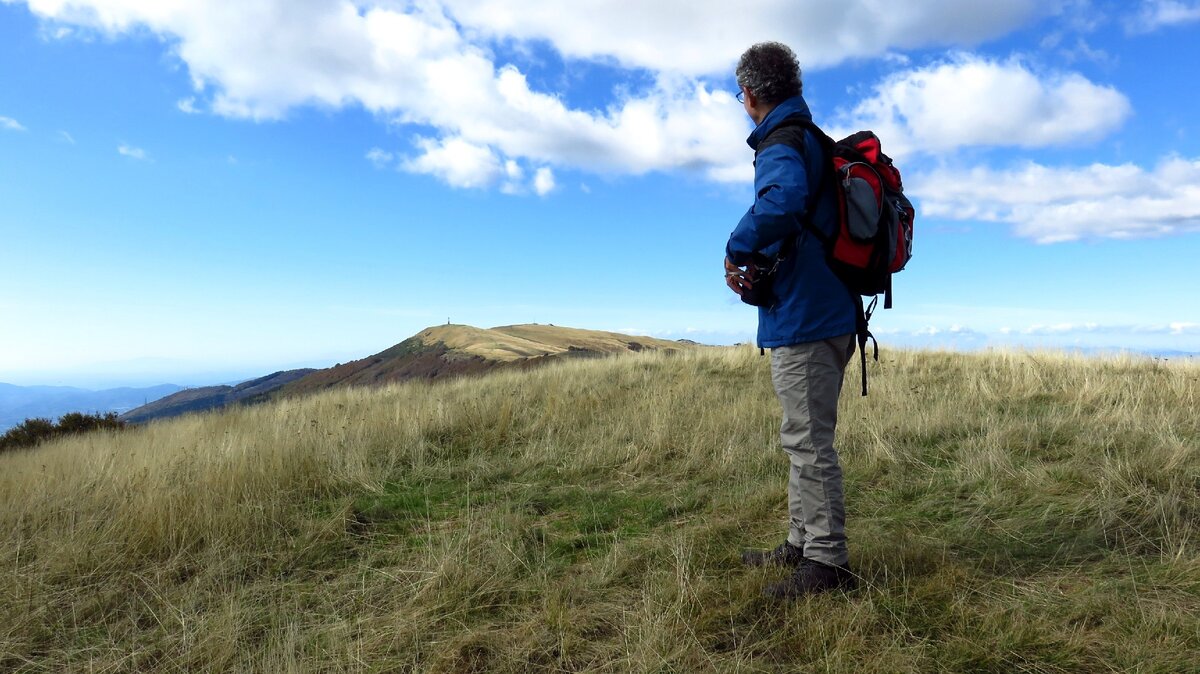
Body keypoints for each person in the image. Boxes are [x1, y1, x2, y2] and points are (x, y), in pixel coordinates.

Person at [724, 42, 859, 597]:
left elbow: (780, 205)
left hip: (807, 316)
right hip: (828, 310)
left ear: (751, 95)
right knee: (801, 436)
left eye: (740, 95)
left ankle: (826, 563)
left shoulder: (782, 141)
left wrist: (736, 247)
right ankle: (801, 543)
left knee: (807, 442)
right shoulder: (811, 139)